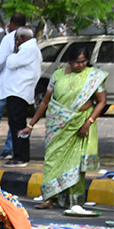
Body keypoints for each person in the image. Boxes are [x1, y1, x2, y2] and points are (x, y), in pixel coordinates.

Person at [22, 45, 108, 211]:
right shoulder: (57, 76)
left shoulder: (93, 77)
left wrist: (88, 122)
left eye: (84, 61)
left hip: (80, 124)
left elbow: (102, 101)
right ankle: (49, 198)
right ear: (69, 61)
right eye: (77, 62)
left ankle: (74, 201)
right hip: (57, 125)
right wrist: (31, 125)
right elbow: (46, 101)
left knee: (75, 163)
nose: (81, 65)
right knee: (52, 160)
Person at [0, 28, 41, 169]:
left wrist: (15, 50)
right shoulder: (31, 49)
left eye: (16, 39)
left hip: (19, 91)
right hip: (19, 91)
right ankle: (20, 155)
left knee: (17, 125)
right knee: (17, 124)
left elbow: (10, 62)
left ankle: (20, 157)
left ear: (22, 38)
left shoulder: (27, 49)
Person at [0, 13, 26, 160]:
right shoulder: (29, 40)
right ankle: (8, 150)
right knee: (13, 119)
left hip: (2, 84)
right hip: (18, 87)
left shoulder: (9, 38)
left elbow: (0, 61)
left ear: (12, 24)